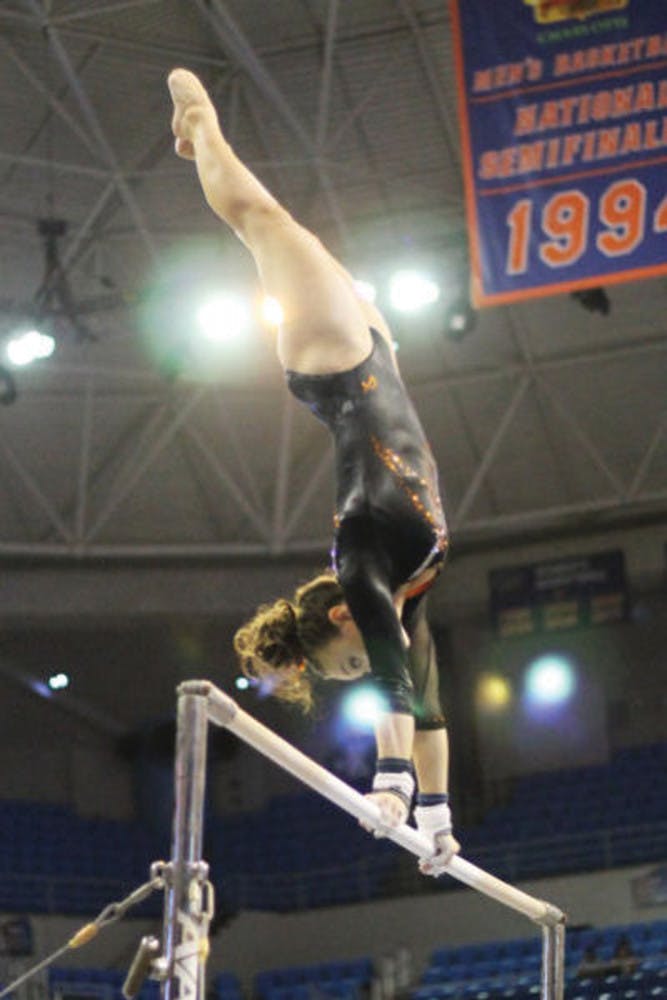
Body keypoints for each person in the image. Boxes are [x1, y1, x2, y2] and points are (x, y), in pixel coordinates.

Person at [167, 68, 460, 875]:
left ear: (340, 623)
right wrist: (436, 817)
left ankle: (201, 125)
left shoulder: (363, 561)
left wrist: (390, 782)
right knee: (294, 238)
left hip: (337, 367)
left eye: (351, 659)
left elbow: (393, 684)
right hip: (373, 356)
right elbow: (428, 699)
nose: (370, 655)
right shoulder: (414, 583)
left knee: (262, 221)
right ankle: (205, 138)